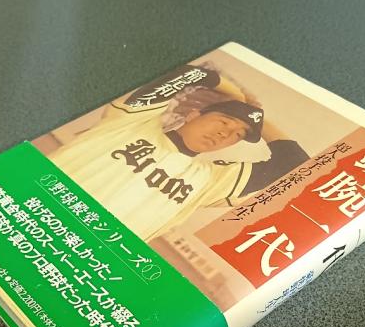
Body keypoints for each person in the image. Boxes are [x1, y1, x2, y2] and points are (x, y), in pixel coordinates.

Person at [47, 63, 308, 240]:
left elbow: (296, 163)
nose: (225, 134)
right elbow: (187, 74)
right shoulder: (133, 121)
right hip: (40, 207)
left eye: (238, 135)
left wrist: (257, 117)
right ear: (194, 114)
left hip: (88, 255)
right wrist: (238, 96)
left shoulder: (210, 181)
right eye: (224, 121)